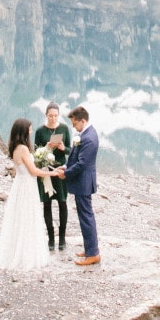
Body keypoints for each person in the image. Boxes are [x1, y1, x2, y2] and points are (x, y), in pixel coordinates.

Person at [0, 118, 54, 270]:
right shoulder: (23, 149)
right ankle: (26, 256)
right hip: (27, 186)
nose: (31, 131)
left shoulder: (15, 148)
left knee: (20, 218)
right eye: (29, 129)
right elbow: (33, 171)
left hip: (20, 184)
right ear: (24, 131)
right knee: (28, 218)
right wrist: (54, 173)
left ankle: (16, 252)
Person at [55, 105, 100, 266]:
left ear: (82, 120)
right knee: (84, 216)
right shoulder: (84, 133)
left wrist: (65, 174)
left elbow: (81, 164)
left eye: (75, 123)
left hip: (84, 183)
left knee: (86, 217)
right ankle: (89, 249)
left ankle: (93, 253)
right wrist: (66, 166)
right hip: (82, 182)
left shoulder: (89, 138)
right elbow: (75, 156)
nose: (73, 126)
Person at [34, 103, 71, 251]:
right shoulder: (40, 131)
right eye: (50, 116)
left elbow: (70, 150)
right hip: (46, 170)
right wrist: (47, 148)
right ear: (46, 115)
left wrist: (63, 147)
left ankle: (62, 238)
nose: (53, 118)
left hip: (60, 169)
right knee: (47, 203)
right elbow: (36, 154)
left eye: (56, 115)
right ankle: (50, 237)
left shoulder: (64, 128)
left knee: (62, 202)